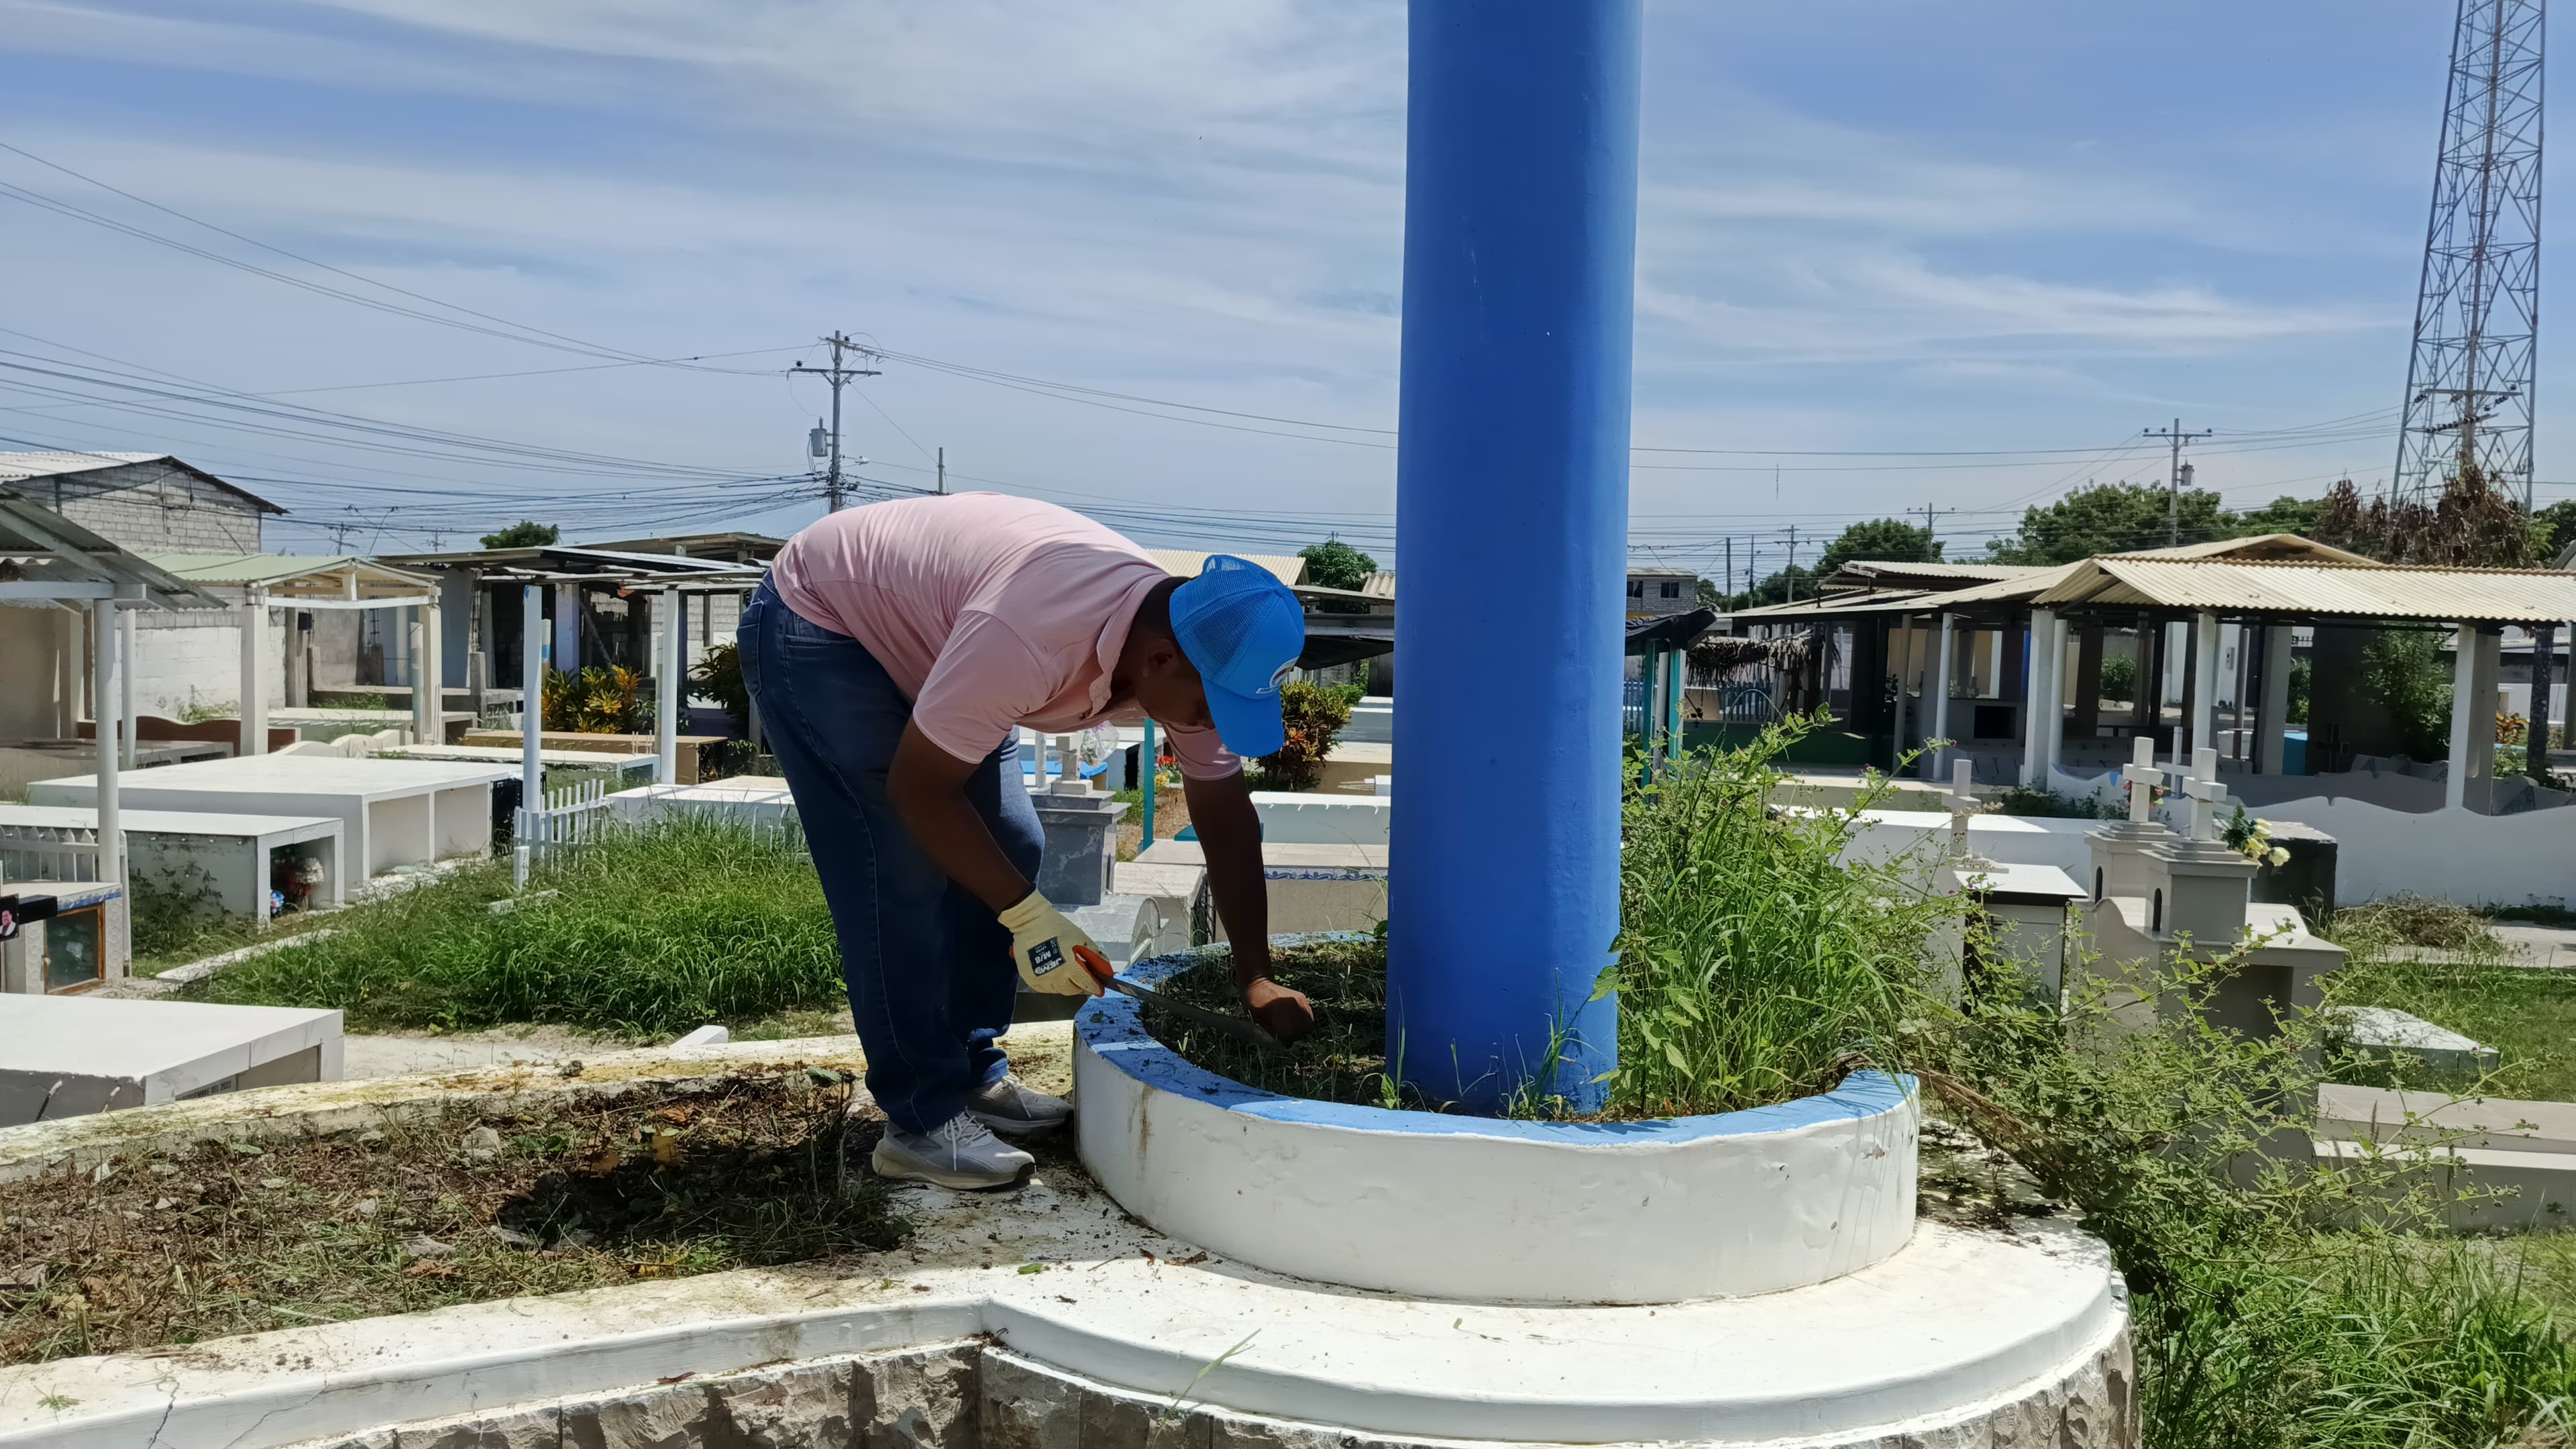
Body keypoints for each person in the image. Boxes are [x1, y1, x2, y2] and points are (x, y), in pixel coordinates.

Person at [743, 492, 1318, 1189]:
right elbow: (921, 791)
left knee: (1010, 845)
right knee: (899, 867)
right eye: (1210, 708)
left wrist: (1256, 975)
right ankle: (920, 1120)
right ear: (1160, 659)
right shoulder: (1033, 636)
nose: (1212, 726)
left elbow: (1226, 820)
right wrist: (1027, 916)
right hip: (826, 621)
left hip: (943, 637)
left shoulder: (1187, 650)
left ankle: (970, 1071)